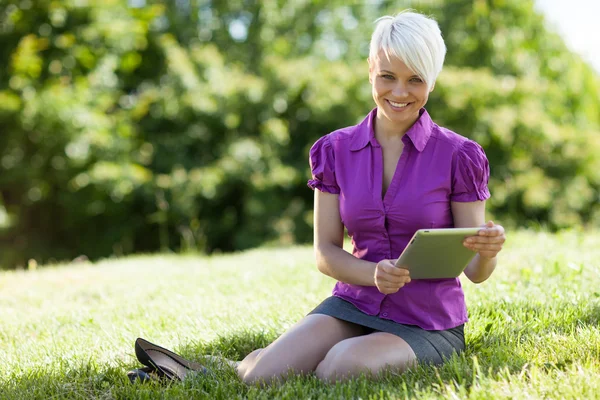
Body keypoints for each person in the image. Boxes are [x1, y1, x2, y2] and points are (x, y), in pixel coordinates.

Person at [129, 10, 506, 385]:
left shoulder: (460, 155)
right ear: (370, 69)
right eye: (387, 77)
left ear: (432, 81)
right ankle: (241, 365)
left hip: (427, 321)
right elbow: (326, 252)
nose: (400, 92)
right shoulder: (335, 149)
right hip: (354, 304)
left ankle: (289, 357)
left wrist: (486, 253)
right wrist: (373, 275)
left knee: (340, 368)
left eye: (415, 80)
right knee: (261, 378)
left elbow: (473, 271)